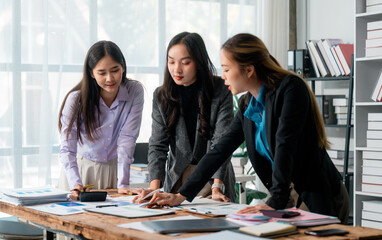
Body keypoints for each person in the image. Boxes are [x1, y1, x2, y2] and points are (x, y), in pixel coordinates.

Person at [146, 33, 350, 224]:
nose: (223, 76)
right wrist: (182, 195)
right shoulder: (247, 103)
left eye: (226, 69)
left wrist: (273, 202)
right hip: (283, 195)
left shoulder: (290, 88)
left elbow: (284, 145)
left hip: (316, 195)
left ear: (249, 70)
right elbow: (220, 149)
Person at [140, 32, 236, 202]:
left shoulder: (220, 89)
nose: (176, 69)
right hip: (177, 179)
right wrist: (153, 189)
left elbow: (221, 143)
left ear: (198, 62)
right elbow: (158, 145)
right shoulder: (162, 95)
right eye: (171, 62)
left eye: (185, 62)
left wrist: (217, 186)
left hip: (212, 178)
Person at [57, 40, 144, 199]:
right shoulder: (75, 99)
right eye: (102, 73)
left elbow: (128, 138)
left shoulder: (135, 91)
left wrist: (123, 183)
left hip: (114, 170)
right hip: (81, 171)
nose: (110, 78)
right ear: (92, 73)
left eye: (115, 70)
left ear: (123, 67)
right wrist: (75, 182)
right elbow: (67, 148)